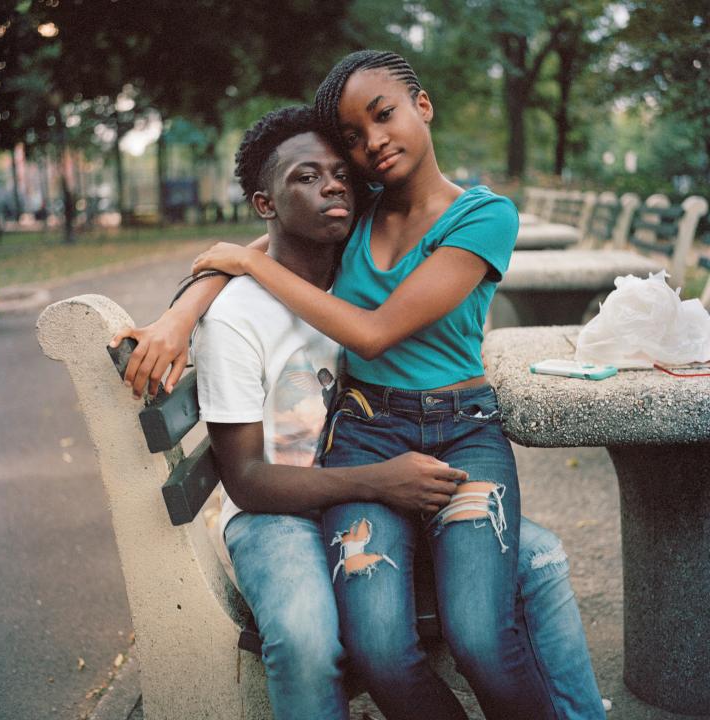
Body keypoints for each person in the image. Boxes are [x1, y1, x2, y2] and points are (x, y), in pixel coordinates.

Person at [188, 51, 605, 720]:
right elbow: (272, 232)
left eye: (383, 116)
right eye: (353, 136)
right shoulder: (359, 209)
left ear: (423, 105)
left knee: (481, 638)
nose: (373, 142)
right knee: (379, 646)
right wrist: (191, 305)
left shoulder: (484, 216)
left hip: (461, 433)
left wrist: (242, 262)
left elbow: (374, 332)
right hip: (365, 433)